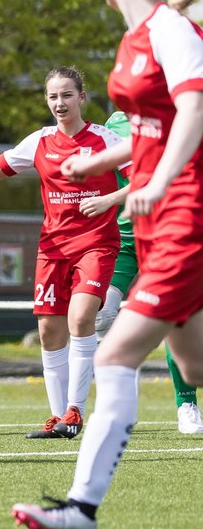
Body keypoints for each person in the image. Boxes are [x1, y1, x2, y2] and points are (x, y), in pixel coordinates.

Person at [13, 0, 203, 529]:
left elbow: (196, 109)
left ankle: (80, 510)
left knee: (116, 352)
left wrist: (157, 179)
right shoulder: (133, 40)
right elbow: (151, 126)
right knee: (195, 366)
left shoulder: (172, 29)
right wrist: (101, 161)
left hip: (182, 214)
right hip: (153, 220)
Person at [0, 67, 127, 440]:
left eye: (67, 95)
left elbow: (145, 180)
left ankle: (75, 412)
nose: (60, 103)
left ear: (82, 98)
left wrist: (108, 198)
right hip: (53, 249)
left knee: (81, 315)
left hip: (97, 243)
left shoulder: (105, 140)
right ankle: (59, 419)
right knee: (48, 331)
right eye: (53, 96)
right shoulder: (39, 141)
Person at [82, 108, 203, 434]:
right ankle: (79, 407)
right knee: (96, 316)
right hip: (124, 239)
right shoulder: (115, 123)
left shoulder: (186, 115)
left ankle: (186, 403)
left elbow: (150, 175)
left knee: (177, 324)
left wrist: (110, 198)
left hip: (169, 235)